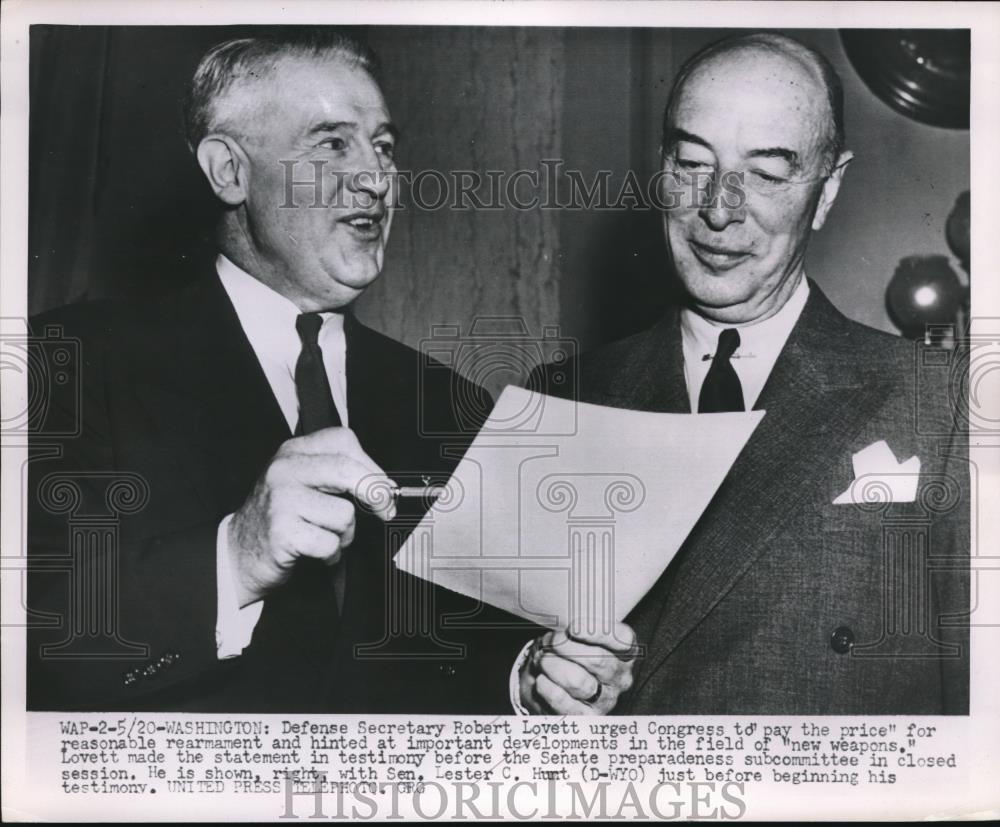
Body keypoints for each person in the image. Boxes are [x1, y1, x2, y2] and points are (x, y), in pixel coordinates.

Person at [26, 29, 633, 713]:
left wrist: (525, 681)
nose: (376, 178)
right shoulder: (68, 362)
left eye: (383, 145)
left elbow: (452, 659)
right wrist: (235, 558)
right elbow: (33, 652)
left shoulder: (449, 402)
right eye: (332, 143)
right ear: (229, 170)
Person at [524, 32, 968, 714]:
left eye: (765, 172)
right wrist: (533, 680)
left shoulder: (943, 407)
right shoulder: (557, 398)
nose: (719, 207)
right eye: (693, 161)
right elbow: (466, 658)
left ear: (827, 188)